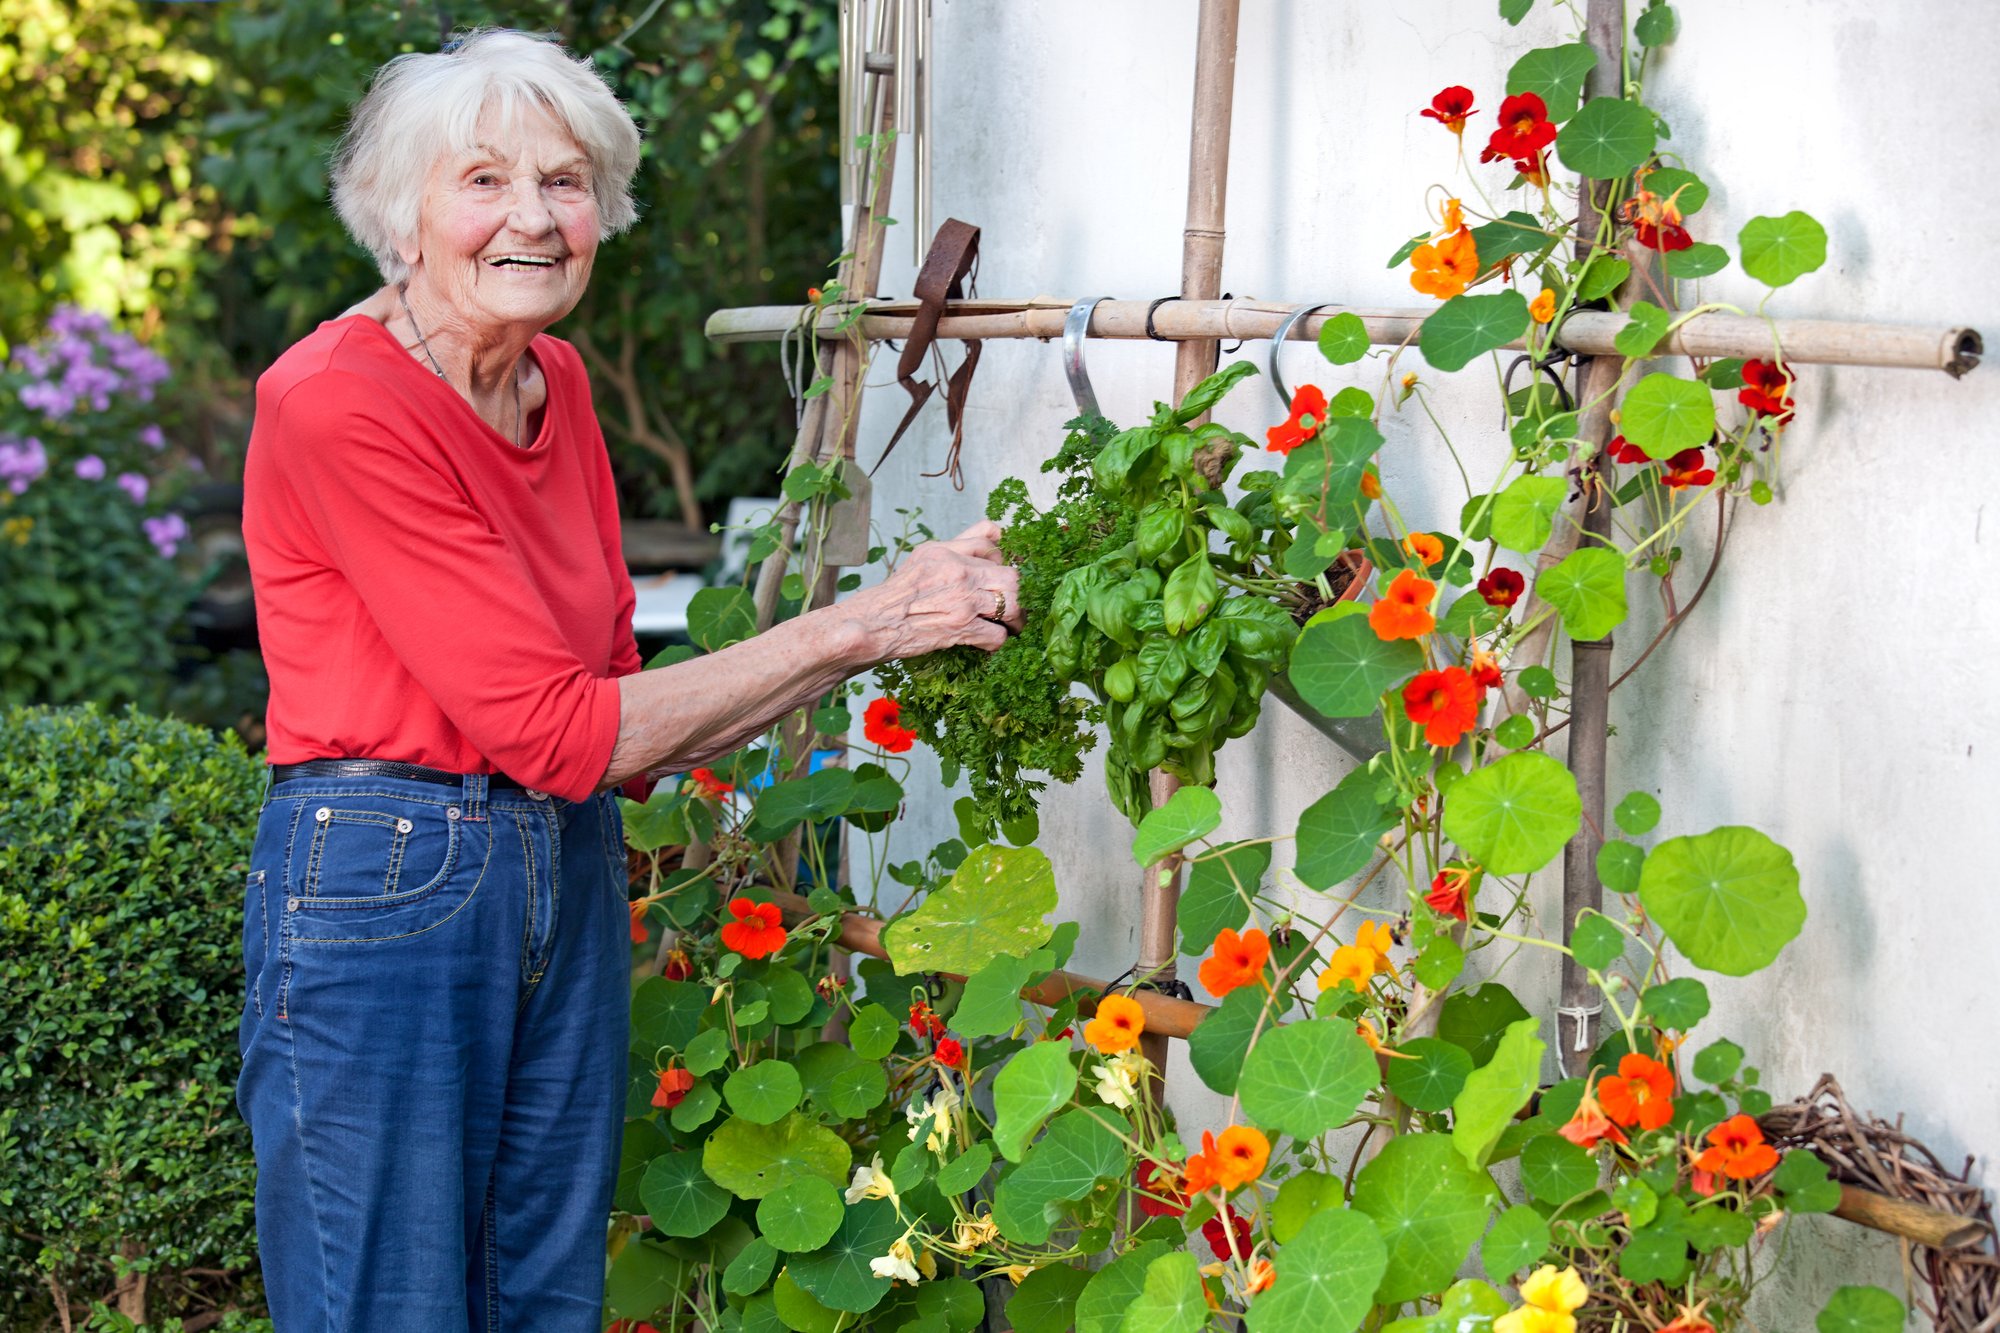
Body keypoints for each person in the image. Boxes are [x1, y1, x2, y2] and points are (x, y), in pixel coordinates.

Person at [235, 29, 1017, 1330]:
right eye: (483, 181)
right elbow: (563, 729)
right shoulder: (334, 402)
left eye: (566, 182)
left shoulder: (558, 382)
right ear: (403, 215)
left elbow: (611, 713)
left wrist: (895, 626)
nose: (533, 218)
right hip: (386, 871)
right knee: (391, 1303)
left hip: (561, 853)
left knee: (545, 1296)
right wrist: (867, 623)